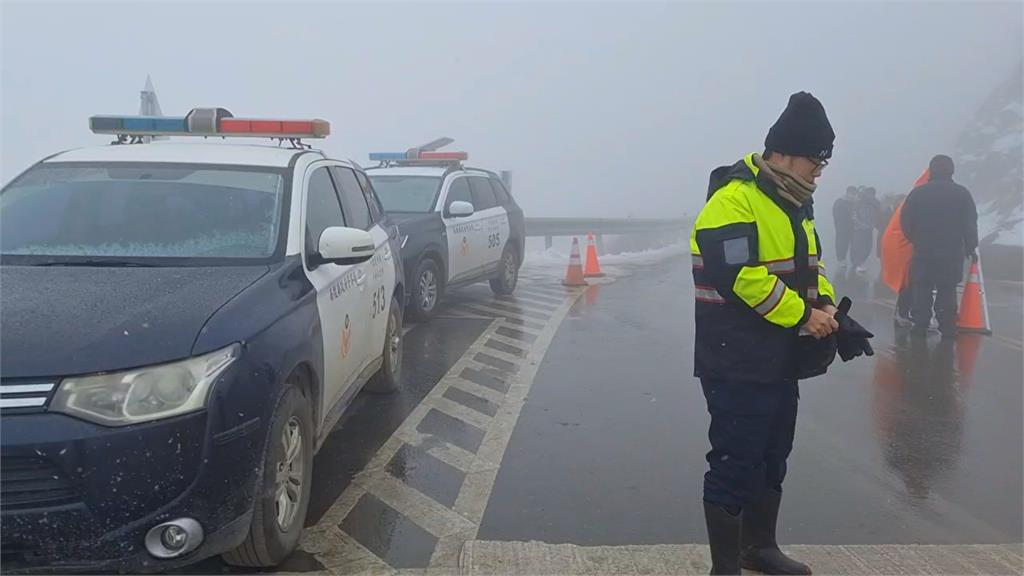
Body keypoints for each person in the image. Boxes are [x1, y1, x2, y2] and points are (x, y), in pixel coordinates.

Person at [690, 92, 874, 575]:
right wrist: (801, 316)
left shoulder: (795, 203)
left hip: (778, 359)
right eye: (817, 159)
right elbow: (740, 276)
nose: (821, 170)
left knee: (773, 454)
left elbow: (809, 267)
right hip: (735, 358)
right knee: (735, 458)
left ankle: (759, 547)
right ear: (786, 152)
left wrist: (827, 305)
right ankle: (724, 566)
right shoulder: (733, 200)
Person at [900, 155, 979, 338]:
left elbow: (906, 221)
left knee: (922, 287)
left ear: (931, 170)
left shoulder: (918, 193)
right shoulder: (962, 194)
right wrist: (970, 247)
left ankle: (920, 323)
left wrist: (916, 239)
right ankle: (947, 325)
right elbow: (970, 223)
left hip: (924, 251)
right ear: (952, 171)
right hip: (951, 252)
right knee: (947, 288)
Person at [850, 186, 882, 274]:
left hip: (869, 228)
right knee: (859, 246)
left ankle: (861, 262)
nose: (871, 196)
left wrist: (876, 225)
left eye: (873, 194)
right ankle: (857, 264)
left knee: (868, 247)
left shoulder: (875, 203)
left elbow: (879, 214)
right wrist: (859, 224)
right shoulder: (858, 203)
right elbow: (854, 216)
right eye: (869, 194)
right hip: (859, 229)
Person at [832, 186, 857, 269]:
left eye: (854, 193)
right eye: (851, 193)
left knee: (853, 244)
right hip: (842, 227)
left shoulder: (855, 203)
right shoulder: (840, 202)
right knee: (841, 243)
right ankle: (841, 259)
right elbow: (836, 215)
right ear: (847, 193)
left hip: (852, 227)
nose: (852, 195)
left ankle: (853, 260)